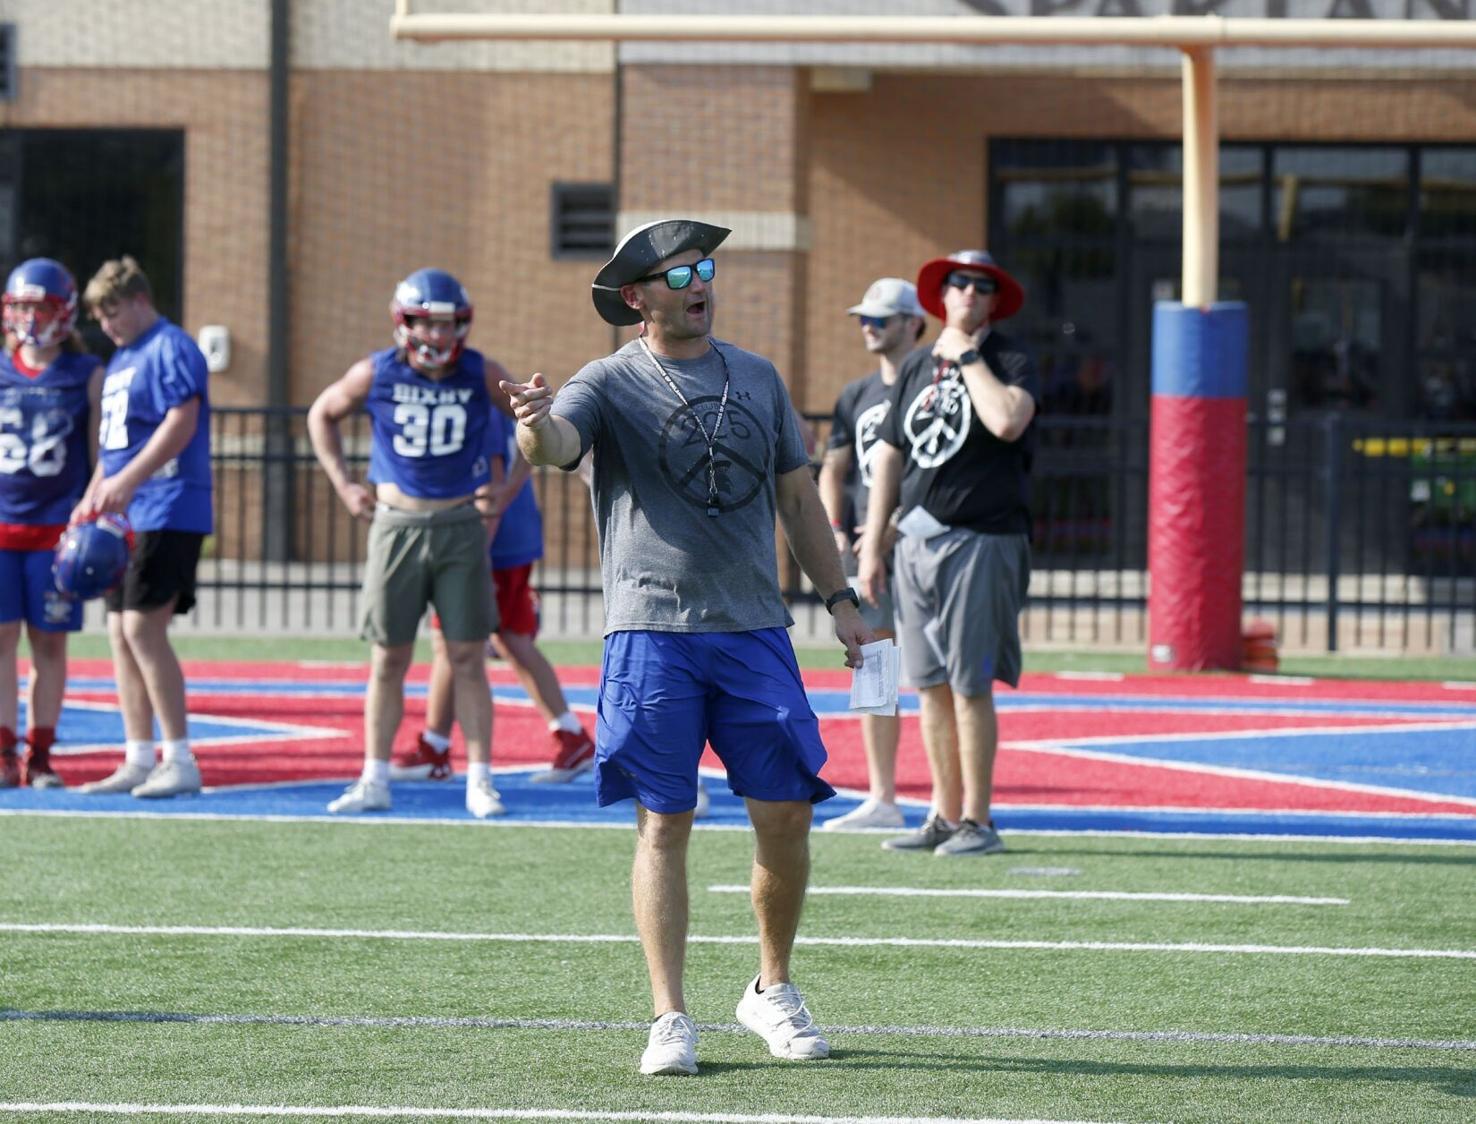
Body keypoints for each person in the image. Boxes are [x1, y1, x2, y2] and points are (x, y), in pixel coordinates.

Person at [502, 218, 870, 1077]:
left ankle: (770, 989)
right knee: (664, 821)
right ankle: (670, 1017)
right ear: (635, 297)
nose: (699, 283)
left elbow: (799, 500)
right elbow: (558, 447)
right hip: (649, 633)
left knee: (784, 812)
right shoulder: (609, 380)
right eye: (678, 274)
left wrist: (842, 601)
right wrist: (532, 423)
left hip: (753, 630)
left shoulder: (759, 375)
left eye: (704, 267)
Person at [857, 250, 1039, 857]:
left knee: (969, 684)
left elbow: (1007, 421)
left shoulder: (1009, 358)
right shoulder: (914, 368)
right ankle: (942, 813)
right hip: (915, 544)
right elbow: (890, 455)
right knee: (927, 683)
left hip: (981, 540)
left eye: (979, 286)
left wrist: (966, 356)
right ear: (942, 297)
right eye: (957, 283)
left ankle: (978, 821)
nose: (966, 292)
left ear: (992, 300)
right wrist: (873, 545)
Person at [307, 267, 506, 819]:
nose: (438, 337)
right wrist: (345, 482)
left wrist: (508, 489)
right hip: (395, 523)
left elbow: (531, 421)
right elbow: (321, 414)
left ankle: (480, 779)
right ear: (404, 323)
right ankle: (374, 777)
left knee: (467, 657)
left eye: (448, 326)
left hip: (460, 524)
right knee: (388, 658)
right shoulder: (377, 371)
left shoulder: (479, 371)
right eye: (427, 324)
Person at [390, 412, 599, 786]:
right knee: (506, 639)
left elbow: (491, 485)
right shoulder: (491, 408)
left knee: (454, 641)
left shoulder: (474, 407)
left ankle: (435, 747)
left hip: (488, 541)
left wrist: (478, 556)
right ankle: (570, 736)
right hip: (505, 539)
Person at [73, 255, 213, 799]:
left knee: (141, 628)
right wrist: (91, 500)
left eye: (111, 311)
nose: (105, 324)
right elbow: (115, 445)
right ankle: (138, 755)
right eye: (98, 316)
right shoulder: (123, 356)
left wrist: (129, 480)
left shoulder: (170, 346)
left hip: (168, 503)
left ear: (139, 300)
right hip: (127, 509)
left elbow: (183, 419)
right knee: (117, 632)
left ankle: (179, 755)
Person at [816, 278, 925, 831]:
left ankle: (953, 803)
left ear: (912, 323)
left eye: (881, 319)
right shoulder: (856, 394)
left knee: (937, 672)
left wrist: (889, 531)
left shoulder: (931, 384)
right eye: (865, 318)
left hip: (920, 544)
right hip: (867, 555)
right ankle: (883, 796)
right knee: (875, 667)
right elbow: (834, 468)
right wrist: (838, 530)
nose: (869, 327)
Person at [0, 259, 104, 789]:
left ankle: (39, 753)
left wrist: (90, 511)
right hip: (0, 528)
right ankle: (2, 750)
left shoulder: (87, 375)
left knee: (48, 645)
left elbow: (100, 457)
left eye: (39, 306)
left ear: (63, 312)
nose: (28, 318)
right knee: (0, 641)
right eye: (19, 305)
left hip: (54, 532)